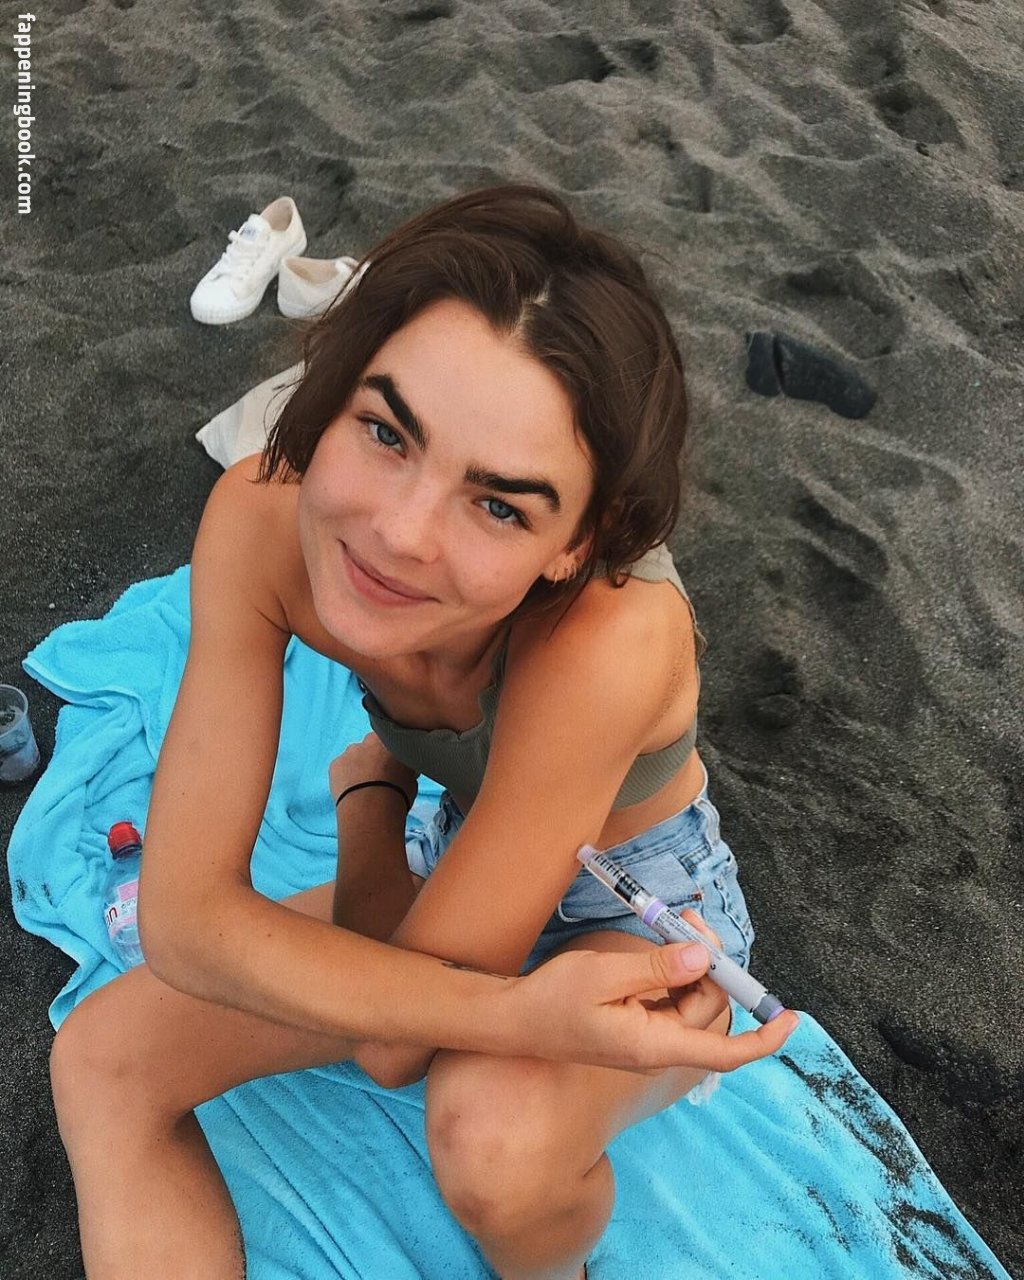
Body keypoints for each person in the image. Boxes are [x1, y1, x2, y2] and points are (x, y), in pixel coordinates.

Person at [49, 184, 798, 1280]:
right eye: (386, 431)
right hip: (459, 855)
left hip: (640, 905)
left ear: (574, 542)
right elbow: (186, 920)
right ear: (330, 392)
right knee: (103, 1057)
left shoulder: (609, 639)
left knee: (492, 1142)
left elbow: (395, 1044)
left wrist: (370, 802)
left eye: (499, 504)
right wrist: (491, 977)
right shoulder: (259, 521)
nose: (399, 534)